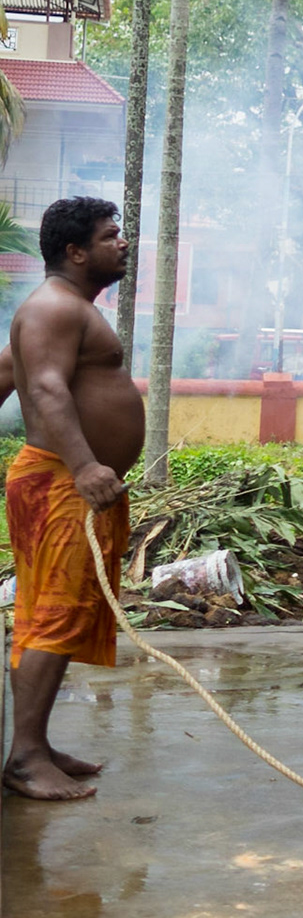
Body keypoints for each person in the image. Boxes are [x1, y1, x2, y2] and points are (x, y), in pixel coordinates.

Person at [2, 197, 139, 801]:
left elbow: (7, 374)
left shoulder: (59, 311)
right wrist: (83, 465)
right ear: (75, 251)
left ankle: (36, 743)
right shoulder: (56, 307)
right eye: (112, 236)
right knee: (53, 615)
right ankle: (26, 758)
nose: (124, 243)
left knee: (49, 614)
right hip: (62, 481)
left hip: (58, 480)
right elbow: (46, 387)